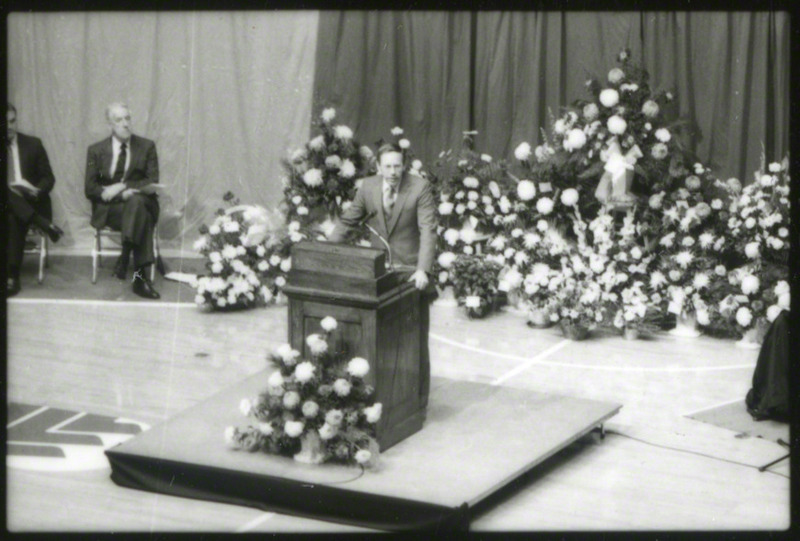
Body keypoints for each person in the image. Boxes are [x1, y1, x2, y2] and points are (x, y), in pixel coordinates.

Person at [328, 142, 437, 407]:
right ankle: (383, 395)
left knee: (414, 341)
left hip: (411, 275)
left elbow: (428, 230)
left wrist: (423, 269)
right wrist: (326, 251)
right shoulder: (367, 187)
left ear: (404, 166)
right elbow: (347, 221)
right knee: (380, 338)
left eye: (397, 165)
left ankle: (417, 399)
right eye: (387, 166)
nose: (393, 171)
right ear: (378, 167)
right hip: (378, 275)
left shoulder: (419, 188)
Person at [85, 102, 160, 299]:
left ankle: (128, 258)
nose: (125, 124)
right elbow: (90, 188)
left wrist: (123, 186)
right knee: (137, 208)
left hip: (142, 205)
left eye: (128, 118)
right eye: (119, 120)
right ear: (109, 125)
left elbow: (152, 180)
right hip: (113, 211)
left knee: (137, 204)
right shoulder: (96, 150)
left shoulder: (146, 146)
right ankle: (139, 276)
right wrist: (120, 196)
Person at [6, 103, 64, 297]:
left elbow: (49, 178)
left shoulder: (33, 144)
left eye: (12, 121)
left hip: (32, 202)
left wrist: (36, 190)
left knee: (13, 214)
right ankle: (45, 225)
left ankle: (12, 276)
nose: (9, 126)